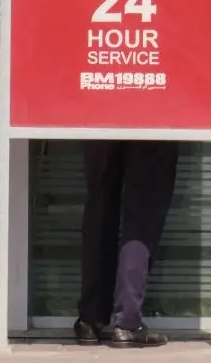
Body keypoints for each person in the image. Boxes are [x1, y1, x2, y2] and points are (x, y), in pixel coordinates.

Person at [75, 140, 179, 348]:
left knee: (100, 202)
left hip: (99, 123)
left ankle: (90, 320)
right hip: (152, 124)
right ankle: (127, 323)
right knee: (143, 206)